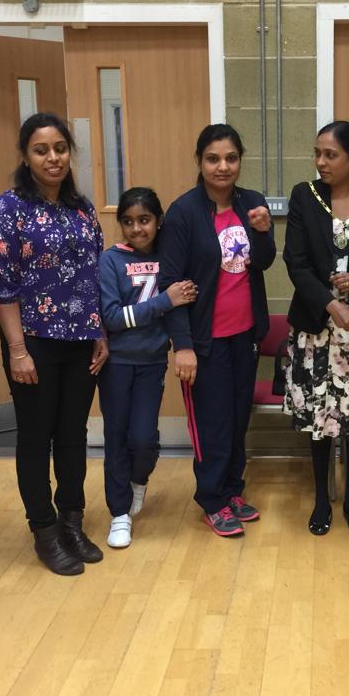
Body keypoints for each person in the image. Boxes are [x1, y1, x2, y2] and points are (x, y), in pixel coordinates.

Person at [0, 112, 108, 576]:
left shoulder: (82, 209)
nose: (52, 158)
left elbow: (93, 275)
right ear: (25, 156)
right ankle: (45, 529)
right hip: (32, 343)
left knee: (73, 435)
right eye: (41, 150)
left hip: (81, 340)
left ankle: (72, 521)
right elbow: (2, 288)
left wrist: (99, 331)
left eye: (59, 148)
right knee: (36, 438)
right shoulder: (6, 211)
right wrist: (17, 351)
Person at [159, 123, 275, 537]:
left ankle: (232, 491)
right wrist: (183, 345)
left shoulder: (252, 203)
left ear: (240, 160)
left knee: (237, 418)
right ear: (199, 161)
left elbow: (264, 261)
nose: (222, 167)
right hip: (204, 341)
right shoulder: (183, 212)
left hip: (245, 335)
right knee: (213, 423)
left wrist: (263, 232)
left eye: (230, 158)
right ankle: (212, 499)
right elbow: (171, 284)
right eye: (213, 159)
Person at [283, 120, 349, 535]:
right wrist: (329, 304)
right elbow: (296, 262)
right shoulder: (304, 196)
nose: (321, 162)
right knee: (319, 417)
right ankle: (322, 499)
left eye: (331, 155)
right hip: (317, 329)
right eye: (317, 154)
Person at [98, 187, 197, 549]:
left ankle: (139, 480)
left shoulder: (169, 257)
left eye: (144, 220)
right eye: (128, 221)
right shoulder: (110, 260)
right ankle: (119, 513)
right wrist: (164, 301)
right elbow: (111, 318)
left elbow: (182, 304)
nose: (137, 228)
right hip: (117, 364)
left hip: (152, 363)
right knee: (116, 437)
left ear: (158, 221)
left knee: (143, 439)